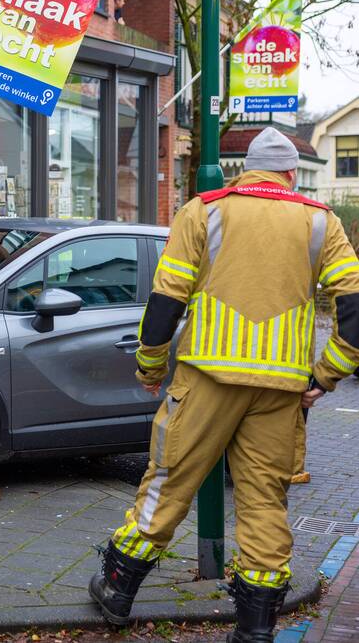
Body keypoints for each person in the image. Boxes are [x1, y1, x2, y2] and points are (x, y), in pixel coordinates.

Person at [88, 127, 359, 643]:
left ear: (246, 170)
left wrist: (150, 366)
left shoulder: (204, 210)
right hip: (280, 391)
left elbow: (166, 299)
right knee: (264, 501)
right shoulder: (322, 222)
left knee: (168, 484)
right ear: (288, 175)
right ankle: (255, 629)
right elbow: (355, 309)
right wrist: (325, 376)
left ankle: (117, 588)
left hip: (205, 382)